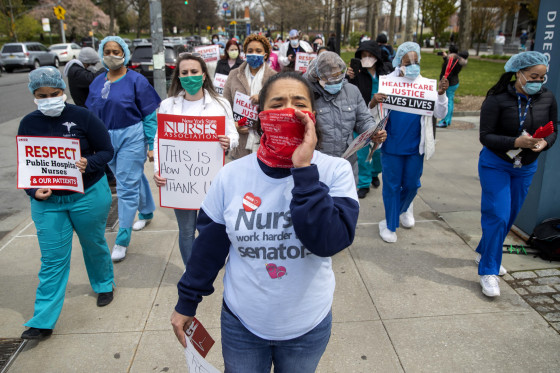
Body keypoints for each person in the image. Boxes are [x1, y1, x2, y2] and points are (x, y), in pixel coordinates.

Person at [170, 72, 359, 372]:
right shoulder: (231, 176)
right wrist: (186, 302)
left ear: (311, 114)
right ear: (261, 116)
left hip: (306, 325)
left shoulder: (335, 171)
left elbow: (329, 242)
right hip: (243, 324)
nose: (288, 110)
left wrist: (304, 171)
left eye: (299, 102)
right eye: (277, 103)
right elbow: (208, 247)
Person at [19, 67, 115, 340]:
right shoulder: (28, 123)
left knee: (93, 242)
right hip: (48, 203)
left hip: (87, 196)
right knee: (52, 260)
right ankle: (42, 321)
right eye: (42, 95)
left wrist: (89, 162)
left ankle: (104, 283)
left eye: (55, 93)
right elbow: (27, 165)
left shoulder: (82, 116)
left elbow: (107, 150)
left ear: (63, 91)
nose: (49, 98)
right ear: (34, 96)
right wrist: (32, 190)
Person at [476, 52, 557, 297]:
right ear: (519, 74)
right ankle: (488, 271)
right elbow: (485, 136)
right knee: (498, 215)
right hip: (496, 164)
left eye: (542, 77)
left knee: (509, 215)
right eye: (533, 76)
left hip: (525, 166)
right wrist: (515, 141)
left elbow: (555, 126)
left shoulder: (547, 97)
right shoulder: (497, 98)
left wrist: (545, 143)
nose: (539, 82)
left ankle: (485, 250)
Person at [154, 53, 239, 268]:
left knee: (209, 227)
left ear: (203, 75)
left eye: (194, 72)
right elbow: (159, 140)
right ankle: (192, 271)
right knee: (186, 230)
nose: (189, 76)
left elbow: (234, 133)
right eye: (185, 73)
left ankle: (207, 265)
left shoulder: (220, 104)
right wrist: (158, 169)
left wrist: (229, 141)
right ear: (178, 77)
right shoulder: (167, 105)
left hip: (209, 180)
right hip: (178, 182)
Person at [86, 36, 161, 262]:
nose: (111, 55)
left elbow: (149, 114)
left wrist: (150, 144)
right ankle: (147, 211)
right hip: (106, 139)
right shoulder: (97, 82)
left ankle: (122, 239)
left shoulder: (137, 80)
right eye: (107, 50)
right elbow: (90, 115)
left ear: (125, 53)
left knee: (126, 186)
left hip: (132, 136)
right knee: (131, 177)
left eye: (116, 51)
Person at [376, 42, 448, 243]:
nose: (413, 65)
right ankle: (389, 224)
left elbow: (440, 114)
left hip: (416, 146)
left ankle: (404, 206)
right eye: (408, 62)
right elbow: (373, 113)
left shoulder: (425, 85)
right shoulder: (388, 83)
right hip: (391, 144)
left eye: (416, 61)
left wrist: (441, 95)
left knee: (412, 184)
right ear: (399, 62)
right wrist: (374, 102)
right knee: (391, 185)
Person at [304, 51, 386, 181]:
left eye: (338, 76)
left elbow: (363, 118)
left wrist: (373, 131)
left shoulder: (352, 91)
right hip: (315, 162)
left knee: (345, 200)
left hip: (346, 162)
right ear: (317, 76)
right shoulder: (305, 92)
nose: (335, 81)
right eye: (330, 78)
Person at [347, 40, 391, 199]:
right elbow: (349, 95)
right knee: (363, 151)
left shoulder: (386, 71)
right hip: (363, 114)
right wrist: (348, 77)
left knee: (379, 151)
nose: (367, 58)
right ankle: (364, 183)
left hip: (383, 115)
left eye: (370, 55)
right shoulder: (356, 74)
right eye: (363, 55)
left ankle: (375, 173)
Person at [222, 34, 277, 159]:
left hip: (264, 139)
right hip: (240, 139)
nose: (254, 54)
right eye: (250, 51)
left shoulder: (274, 77)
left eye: (258, 51)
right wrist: (233, 125)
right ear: (245, 54)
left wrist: (263, 97)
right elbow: (225, 105)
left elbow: (278, 107)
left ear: (266, 55)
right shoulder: (234, 74)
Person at [437, 46, 469, 128]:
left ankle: (445, 121)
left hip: (450, 83)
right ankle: (448, 120)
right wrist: (445, 58)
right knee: (450, 101)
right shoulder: (458, 60)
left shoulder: (451, 60)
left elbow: (448, 71)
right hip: (455, 82)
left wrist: (443, 82)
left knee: (447, 102)